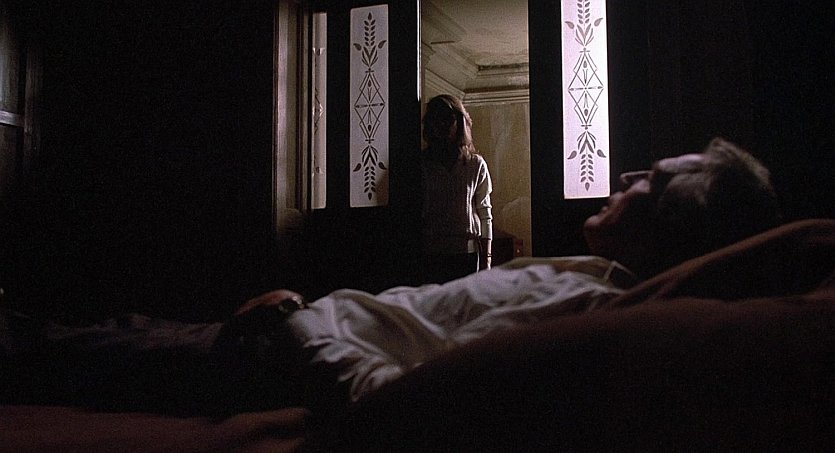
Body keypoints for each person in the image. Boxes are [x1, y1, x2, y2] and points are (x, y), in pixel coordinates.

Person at [1, 138, 781, 414]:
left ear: (674, 223)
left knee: (70, 349)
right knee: (85, 338)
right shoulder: (589, 274)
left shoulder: (585, 304)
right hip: (307, 325)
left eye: (652, 180)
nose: (628, 176)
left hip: (280, 349)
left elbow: (406, 401)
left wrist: (292, 324)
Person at [420, 94, 493, 283]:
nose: (442, 125)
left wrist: (486, 260)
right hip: (432, 253)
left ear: (458, 121)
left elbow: (484, 213)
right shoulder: (422, 165)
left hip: (467, 252)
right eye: (436, 119)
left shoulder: (475, 164)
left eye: (447, 119)